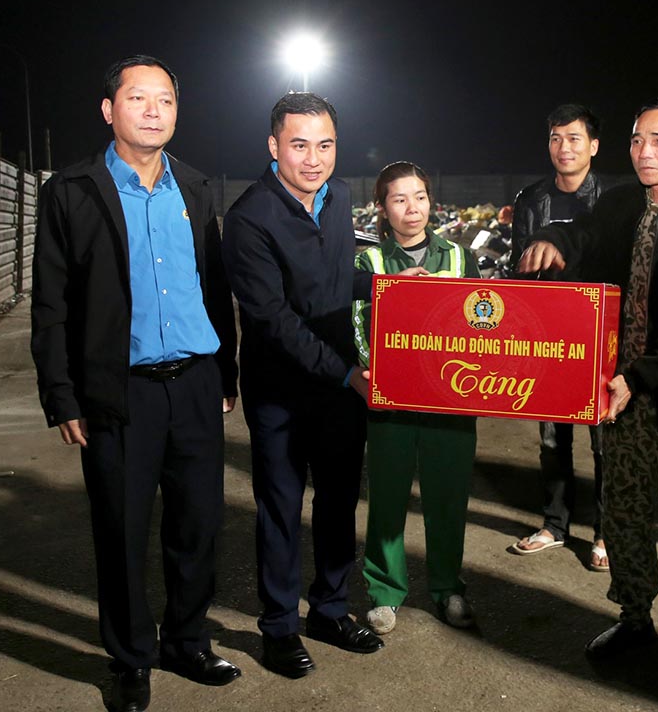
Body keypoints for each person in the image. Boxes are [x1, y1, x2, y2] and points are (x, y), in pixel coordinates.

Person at [31, 55, 241, 712]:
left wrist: (226, 373)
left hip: (198, 386)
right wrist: (62, 395)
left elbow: (216, 289)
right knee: (122, 529)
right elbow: (52, 304)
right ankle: (130, 657)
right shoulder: (73, 191)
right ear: (109, 110)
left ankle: (187, 639)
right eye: (138, 98)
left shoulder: (200, 188)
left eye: (166, 101)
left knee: (198, 524)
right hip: (121, 394)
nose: (154, 111)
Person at [518, 98, 658, 685]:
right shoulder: (620, 203)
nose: (645, 152)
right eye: (639, 140)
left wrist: (637, 375)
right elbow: (578, 228)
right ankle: (635, 614)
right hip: (617, 395)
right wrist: (552, 238)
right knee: (624, 509)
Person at [221, 92, 382, 680]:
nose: (313, 159)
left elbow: (338, 282)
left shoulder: (337, 199)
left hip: (340, 386)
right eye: (298, 145)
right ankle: (280, 627)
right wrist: (348, 374)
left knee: (338, 502)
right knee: (282, 509)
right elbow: (275, 320)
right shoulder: (248, 219)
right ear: (273, 146)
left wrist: (393, 288)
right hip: (281, 392)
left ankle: (331, 609)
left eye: (325, 144)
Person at [353, 161, 480, 635]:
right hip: (393, 402)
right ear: (382, 209)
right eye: (399, 199)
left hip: (451, 401)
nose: (413, 208)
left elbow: (482, 329)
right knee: (387, 496)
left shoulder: (460, 257)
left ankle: (448, 587)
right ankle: (385, 591)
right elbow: (358, 328)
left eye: (420, 196)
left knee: (447, 496)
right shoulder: (370, 262)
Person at [507, 103, 608, 571]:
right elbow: (518, 271)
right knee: (552, 440)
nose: (563, 147)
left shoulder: (613, 199)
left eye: (573, 138)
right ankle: (554, 525)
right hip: (548, 339)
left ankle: (606, 534)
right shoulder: (531, 199)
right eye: (555, 138)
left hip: (598, 339)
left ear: (593, 146)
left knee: (605, 439)